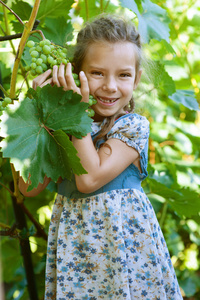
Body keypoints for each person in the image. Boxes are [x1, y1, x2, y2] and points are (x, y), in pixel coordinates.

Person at [19, 15, 183, 300]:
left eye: (123, 75)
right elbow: (28, 188)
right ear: (74, 72)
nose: (110, 86)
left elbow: (89, 179)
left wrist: (76, 113)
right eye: (97, 73)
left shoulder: (132, 127)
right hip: (76, 254)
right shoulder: (60, 125)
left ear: (137, 78)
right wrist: (37, 110)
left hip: (125, 254)